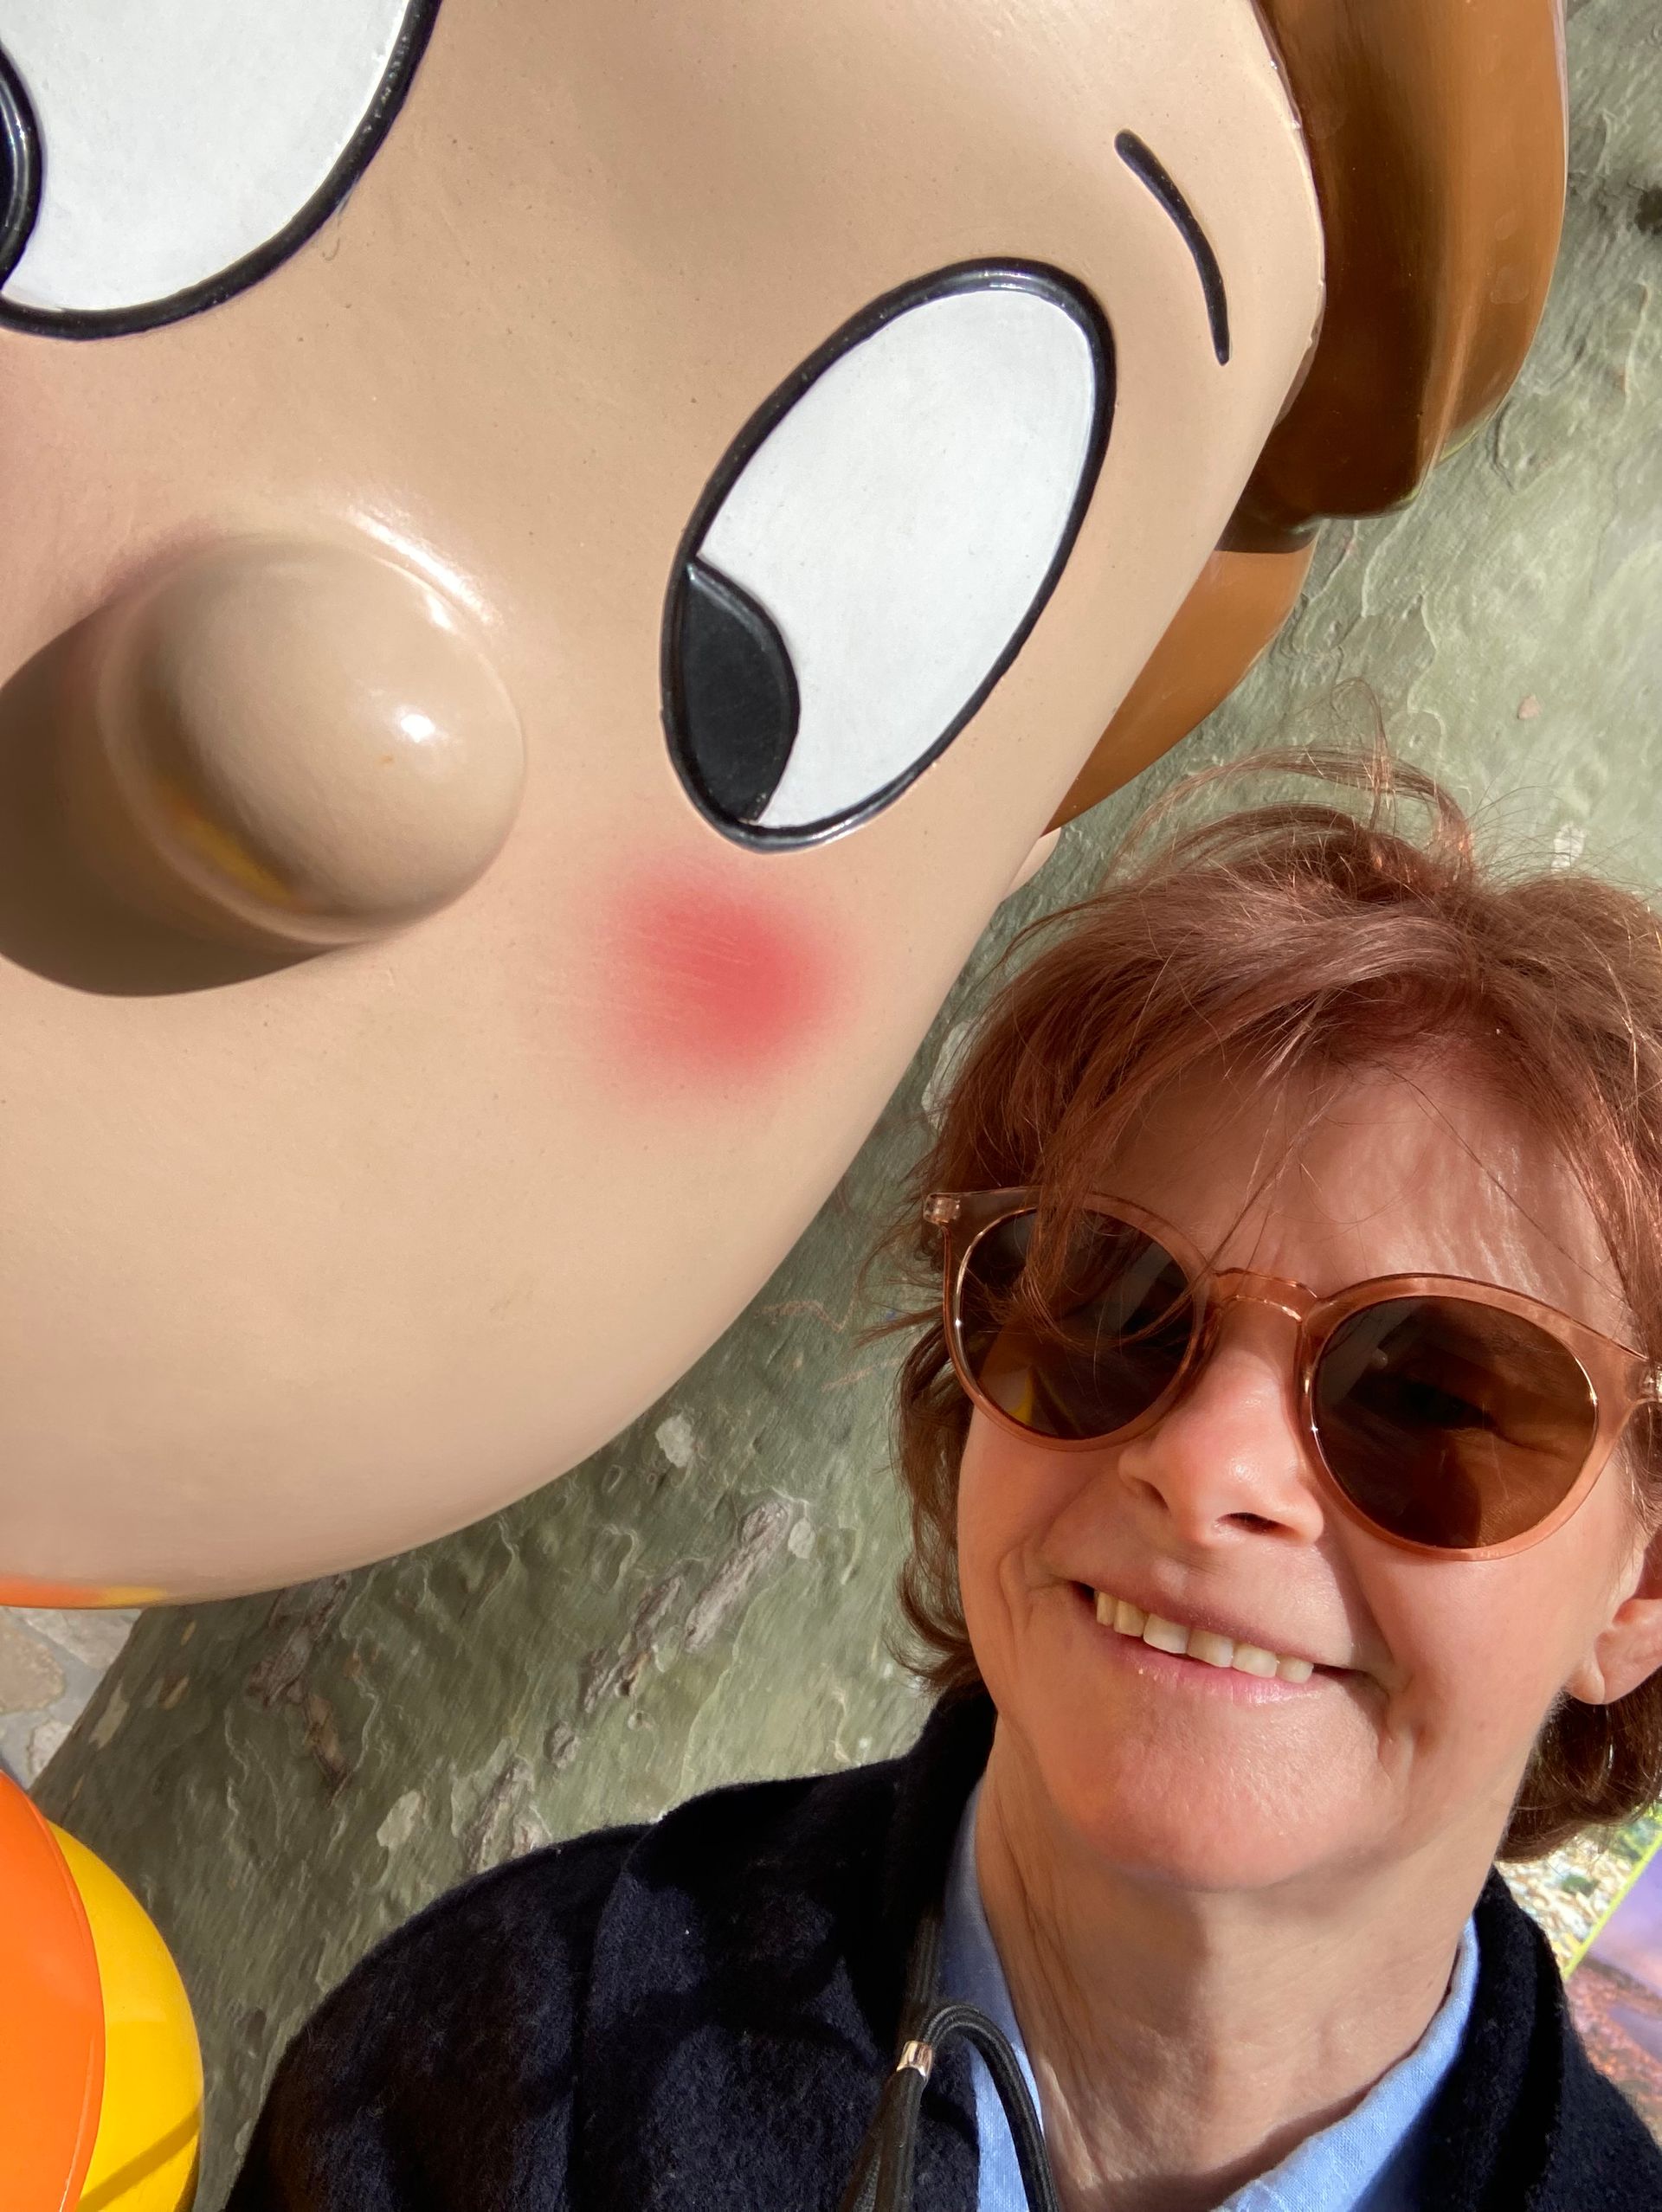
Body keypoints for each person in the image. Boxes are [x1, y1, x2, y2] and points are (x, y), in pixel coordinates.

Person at [227, 749, 1662, 2211]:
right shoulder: (499, 2056)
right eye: (1107, 1304)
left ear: (1643, 1588)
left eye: (1428, 1396)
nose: (1206, 1464)